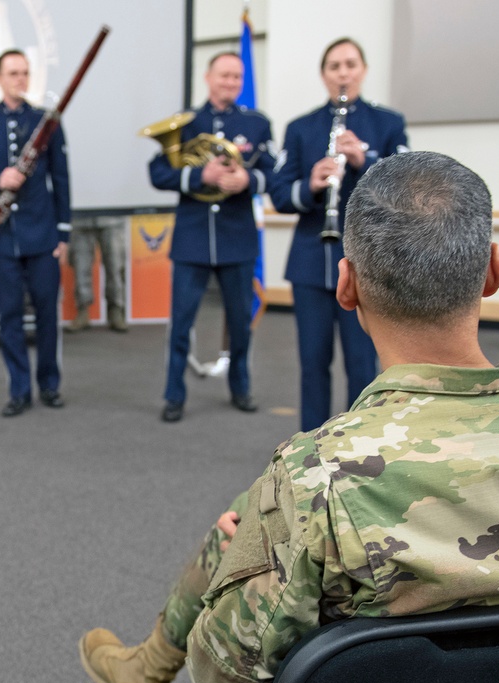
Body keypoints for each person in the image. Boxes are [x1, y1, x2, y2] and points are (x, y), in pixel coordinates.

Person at [79, 151, 499, 683]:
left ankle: (147, 671)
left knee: (253, 524)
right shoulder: (314, 478)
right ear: (493, 271)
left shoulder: (316, 478)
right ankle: (144, 671)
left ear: (346, 284)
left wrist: (242, 573)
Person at [270, 37, 408, 432]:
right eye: (334, 66)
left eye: (350, 64)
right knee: (313, 362)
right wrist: (311, 184)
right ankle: (312, 447)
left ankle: (359, 445)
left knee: (362, 364)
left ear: (363, 70)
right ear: (323, 74)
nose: (343, 73)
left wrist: (366, 161)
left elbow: (405, 187)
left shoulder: (387, 123)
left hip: (367, 265)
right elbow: (280, 194)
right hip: (310, 263)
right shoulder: (300, 128)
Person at [148, 52, 275, 423]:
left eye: (237, 77)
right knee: (181, 324)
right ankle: (174, 395)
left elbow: (275, 174)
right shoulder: (186, 122)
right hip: (192, 240)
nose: (231, 83)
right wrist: (197, 177)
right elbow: (157, 173)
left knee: (239, 323)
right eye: (224, 76)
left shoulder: (257, 124)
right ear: (208, 77)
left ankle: (240, 386)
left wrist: (247, 181)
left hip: (237, 240)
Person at [0, 49, 72, 417]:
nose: (20, 79)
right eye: (13, 73)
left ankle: (49, 385)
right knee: (9, 315)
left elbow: (62, 180)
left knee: (46, 315)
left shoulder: (47, 122)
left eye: (24, 73)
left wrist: (63, 234)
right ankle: (19, 390)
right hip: (2, 239)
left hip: (42, 236)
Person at [67, 216, 128, 332]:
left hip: (112, 216)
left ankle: (116, 310)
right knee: (80, 266)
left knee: (115, 266)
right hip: (81, 218)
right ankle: (83, 311)